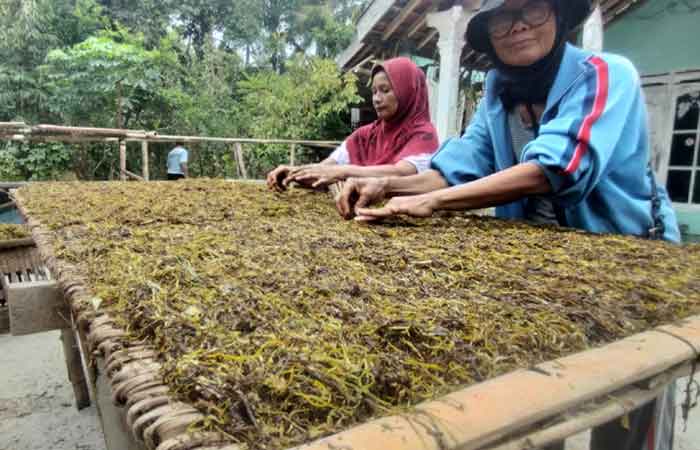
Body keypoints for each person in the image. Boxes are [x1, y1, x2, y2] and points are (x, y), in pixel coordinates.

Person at [336, 0, 680, 449]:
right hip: (544, 275)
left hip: (628, 262)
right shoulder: (498, 93)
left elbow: (555, 170)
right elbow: (456, 166)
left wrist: (434, 203)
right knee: (537, 403)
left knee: (631, 409)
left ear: (558, 16)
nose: (517, 26)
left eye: (532, 10)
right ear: (490, 35)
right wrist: (387, 186)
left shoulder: (605, 75)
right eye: (501, 17)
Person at [266, 57, 439, 191]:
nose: (377, 99)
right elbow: (326, 169)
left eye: (385, 90)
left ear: (408, 91)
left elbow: (401, 172)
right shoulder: (365, 135)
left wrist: (343, 172)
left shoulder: (424, 135)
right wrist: (293, 173)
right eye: (374, 92)